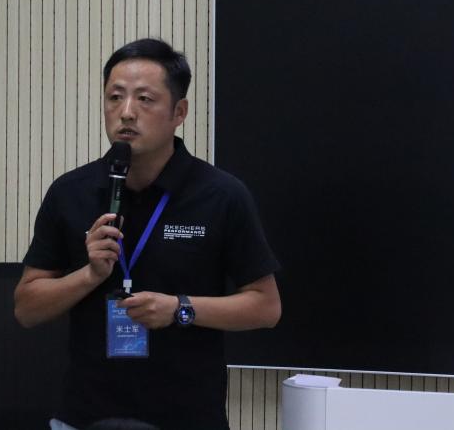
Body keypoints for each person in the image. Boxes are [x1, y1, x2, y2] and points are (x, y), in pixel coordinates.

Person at [15, 38, 281, 430]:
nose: (126, 112)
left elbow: (265, 307)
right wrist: (89, 275)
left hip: (187, 418)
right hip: (86, 417)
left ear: (179, 112)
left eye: (144, 99)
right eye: (115, 97)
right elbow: (26, 308)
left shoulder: (221, 195)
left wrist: (179, 309)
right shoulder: (71, 192)